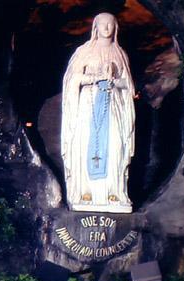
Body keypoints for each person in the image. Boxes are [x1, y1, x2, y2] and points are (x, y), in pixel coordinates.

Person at [61, 12, 135, 213]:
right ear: (95, 27)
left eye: (110, 24)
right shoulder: (84, 51)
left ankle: (114, 194)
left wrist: (114, 82)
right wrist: (94, 78)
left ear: (115, 27)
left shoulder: (120, 53)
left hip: (112, 106)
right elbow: (72, 80)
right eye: (102, 24)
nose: (107, 28)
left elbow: (128, 85)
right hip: (88, 105)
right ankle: (86, 193)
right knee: (85, 144)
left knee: (115, 147)